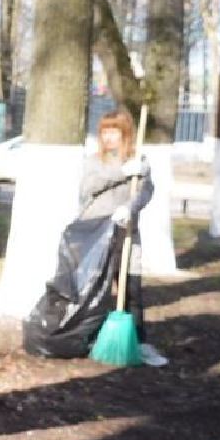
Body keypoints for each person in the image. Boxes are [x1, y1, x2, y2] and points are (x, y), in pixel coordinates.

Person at [78, 108, 165, 366]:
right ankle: (91, 336)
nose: (108, 137)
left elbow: (146, 191)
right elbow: (88, 188)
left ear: (125, 133)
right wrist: (120, 173)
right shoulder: (95, 161)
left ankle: (139, 342)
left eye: (114, 131)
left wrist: (131, 208)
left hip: (127, 233)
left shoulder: (140, 161)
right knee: (96, 288)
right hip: (96, 234)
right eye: (105, 131)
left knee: (132, 288)